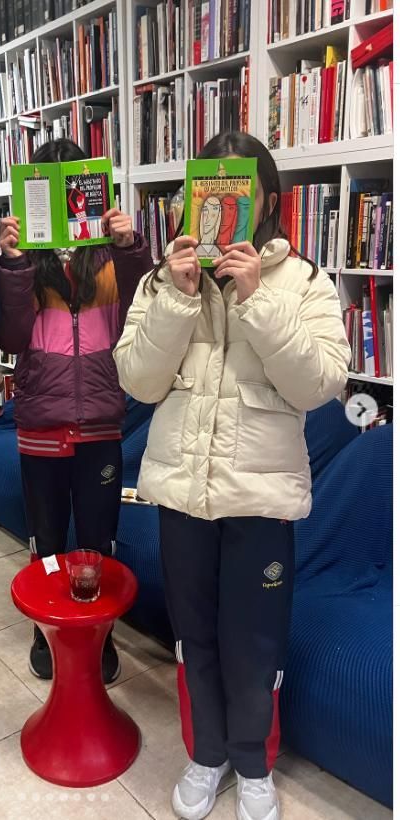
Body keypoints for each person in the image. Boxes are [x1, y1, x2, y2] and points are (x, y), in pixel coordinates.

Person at [114, 131, 350, 820]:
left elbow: (320, 385)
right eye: (205, 198)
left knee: (254, 639)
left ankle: (252, 763)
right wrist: (176, 298)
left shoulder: (301, 280)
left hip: (260, 495)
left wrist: (256, 300)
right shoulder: (161, 280)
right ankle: (205, 753)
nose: (217, 214)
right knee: (194, 634)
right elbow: (137, 380)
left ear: (266, 200)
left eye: (236, 196)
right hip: (181, 493)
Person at [0, 138, 153, 683]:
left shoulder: (109, 257)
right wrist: (12, 266)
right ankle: (47, 632)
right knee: (47, 538)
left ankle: (97, 634)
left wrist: (131, 248)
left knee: (98, 539)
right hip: (41, 421)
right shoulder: (26, 264)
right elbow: (12, 337)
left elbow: (147, 315)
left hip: (102, 422)